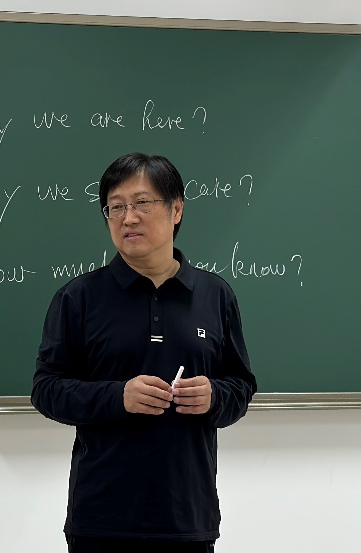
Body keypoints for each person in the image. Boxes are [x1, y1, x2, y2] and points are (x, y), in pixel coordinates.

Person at [31, 152, 258, 553]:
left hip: (188, 517)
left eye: (141, 203)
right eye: (116, 207)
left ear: (176, 209)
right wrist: (118, 396)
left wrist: (214, 396)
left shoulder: (215, 295)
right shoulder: (79, 297)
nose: (128, 218)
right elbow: (47, 390)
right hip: (101, 519)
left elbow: (241, 386)